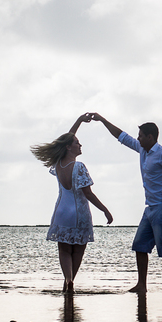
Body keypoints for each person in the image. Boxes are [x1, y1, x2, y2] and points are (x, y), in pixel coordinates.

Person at [87, 113, 162, 293]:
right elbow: (122, 136)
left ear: (150, 137)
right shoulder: (142, 149)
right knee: (140, 246)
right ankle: (142, 285)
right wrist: (102, 120)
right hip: (150, 208)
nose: (138, 139)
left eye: (141, 136)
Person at [30, 114, 113, 293]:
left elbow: (67, 139)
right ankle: (70, 282)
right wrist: (105, 210)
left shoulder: (59, 164)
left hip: (61, 212)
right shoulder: (79, 167)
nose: (80, 145)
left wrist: (79, 121)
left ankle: (67, 280)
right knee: (78, 251)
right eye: (77, 143)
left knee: (64, 250)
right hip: (79, 213)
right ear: (69, 147)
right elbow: (88, 194)